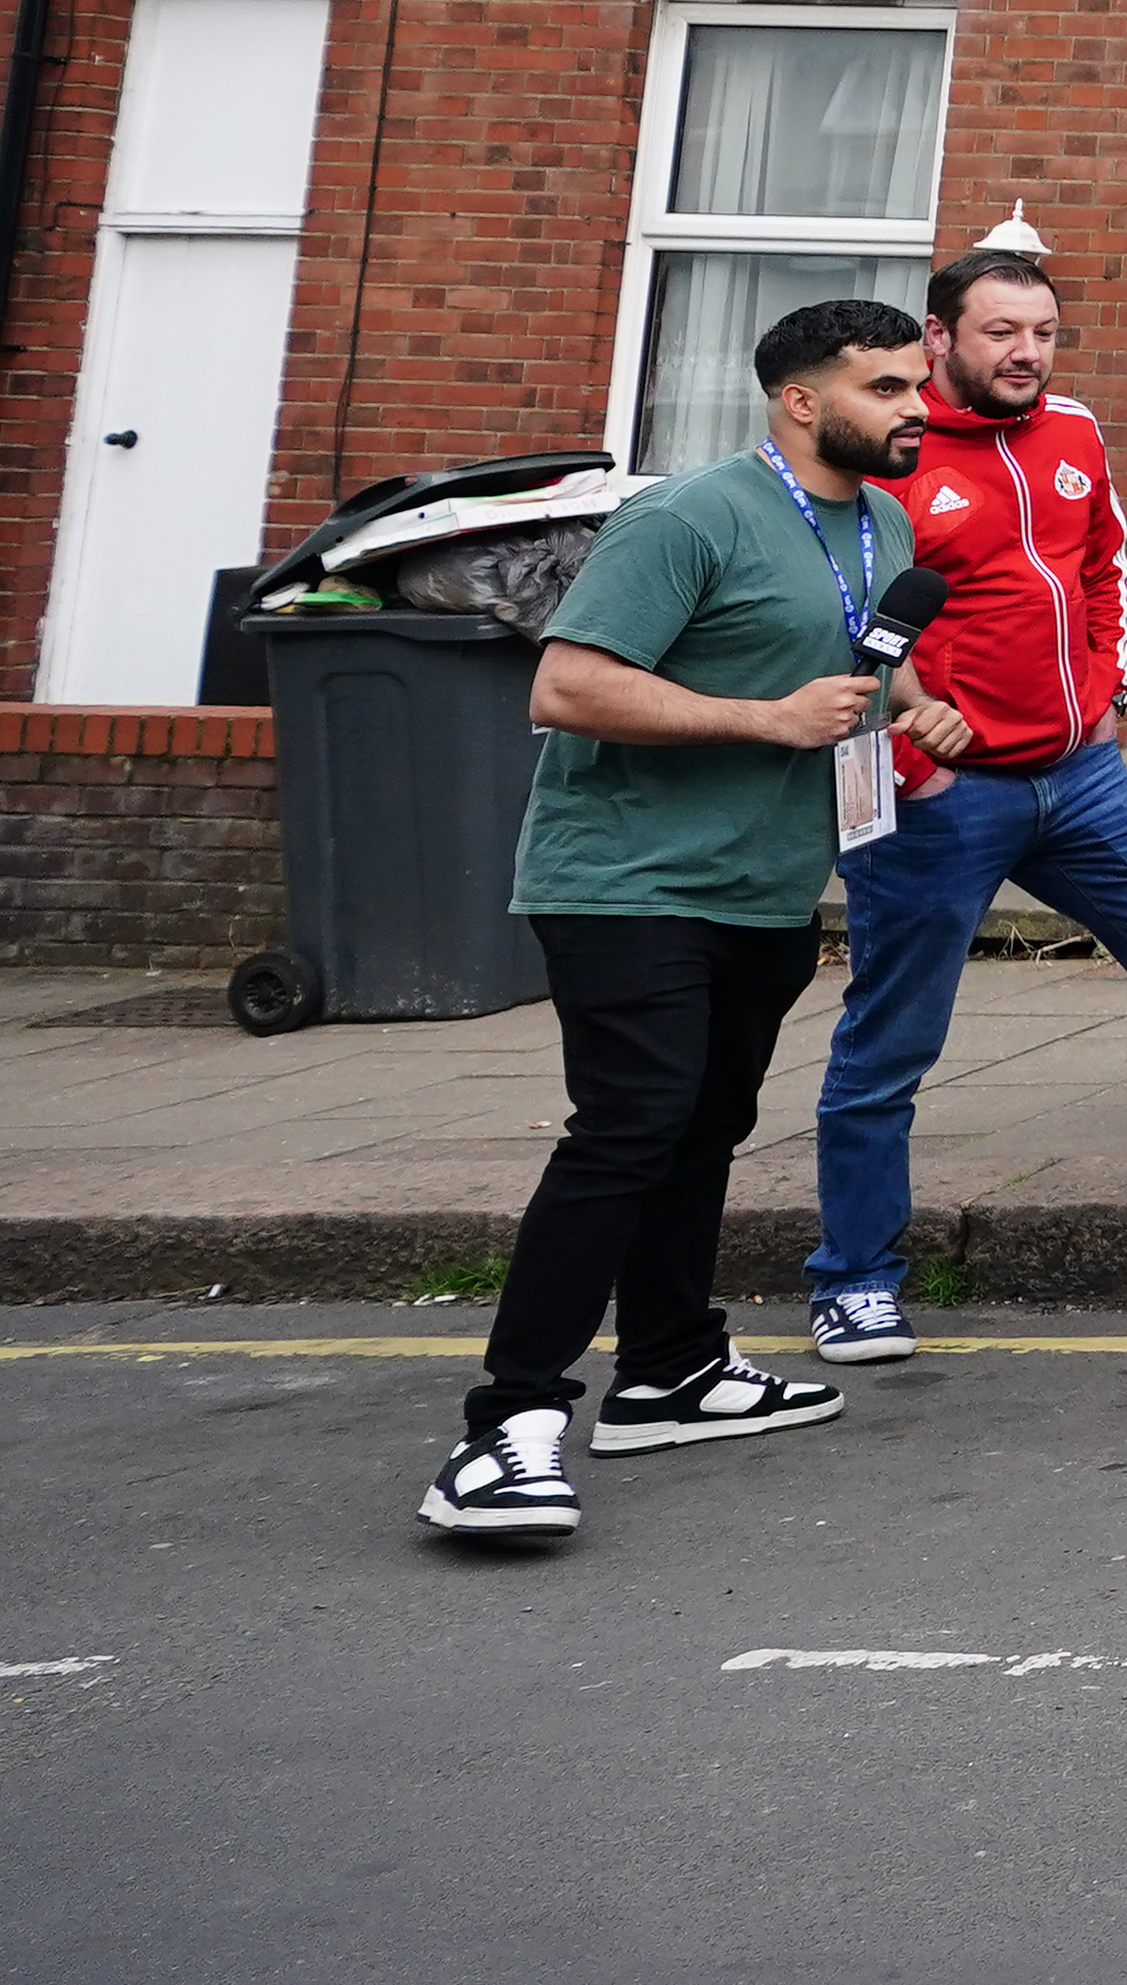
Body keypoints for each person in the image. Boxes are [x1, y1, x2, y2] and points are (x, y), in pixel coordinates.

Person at [421, 299, 922, 1543]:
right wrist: (768, 720)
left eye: (918, 384)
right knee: (630, 1125)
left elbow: (851, 663)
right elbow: (567, 684)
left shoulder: (886, 521)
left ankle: (671, 1366)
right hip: (628, 878)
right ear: (801, 400)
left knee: (704, 1125)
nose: (916, 407)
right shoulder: (689, 514)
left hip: (762, 881)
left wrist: (910, 707)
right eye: (888, 388)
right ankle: (507, 1423)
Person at [803, 248, 1127, 1367]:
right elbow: (845, 617)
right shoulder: (890, 453)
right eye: (1000, 331)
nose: (1026, 352)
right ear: (938, 339)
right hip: (943, 793)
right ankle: (853, 1278)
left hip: (1078, 773)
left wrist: (1105, 697)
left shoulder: (1074, 431)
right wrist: (917, 738)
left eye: (1041, 330)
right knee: (892, 1039)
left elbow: (1101, 568)